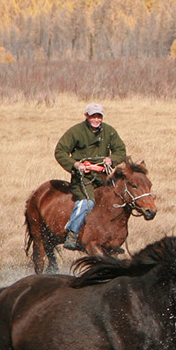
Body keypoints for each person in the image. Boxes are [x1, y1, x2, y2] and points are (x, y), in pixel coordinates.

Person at [54, 103, 127, 251]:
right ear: (86, 116)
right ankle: (72, 233)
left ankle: (112, 239)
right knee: (87, 202)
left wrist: (112, 159)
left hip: (103, 177)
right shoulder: (75, 131)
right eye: (93, 116)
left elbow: (120, 150)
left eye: (99, 116)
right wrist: (75, 165)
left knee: (115, 201)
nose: (96, 119)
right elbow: (60, 151)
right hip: (82, 177)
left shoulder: (109, 131)